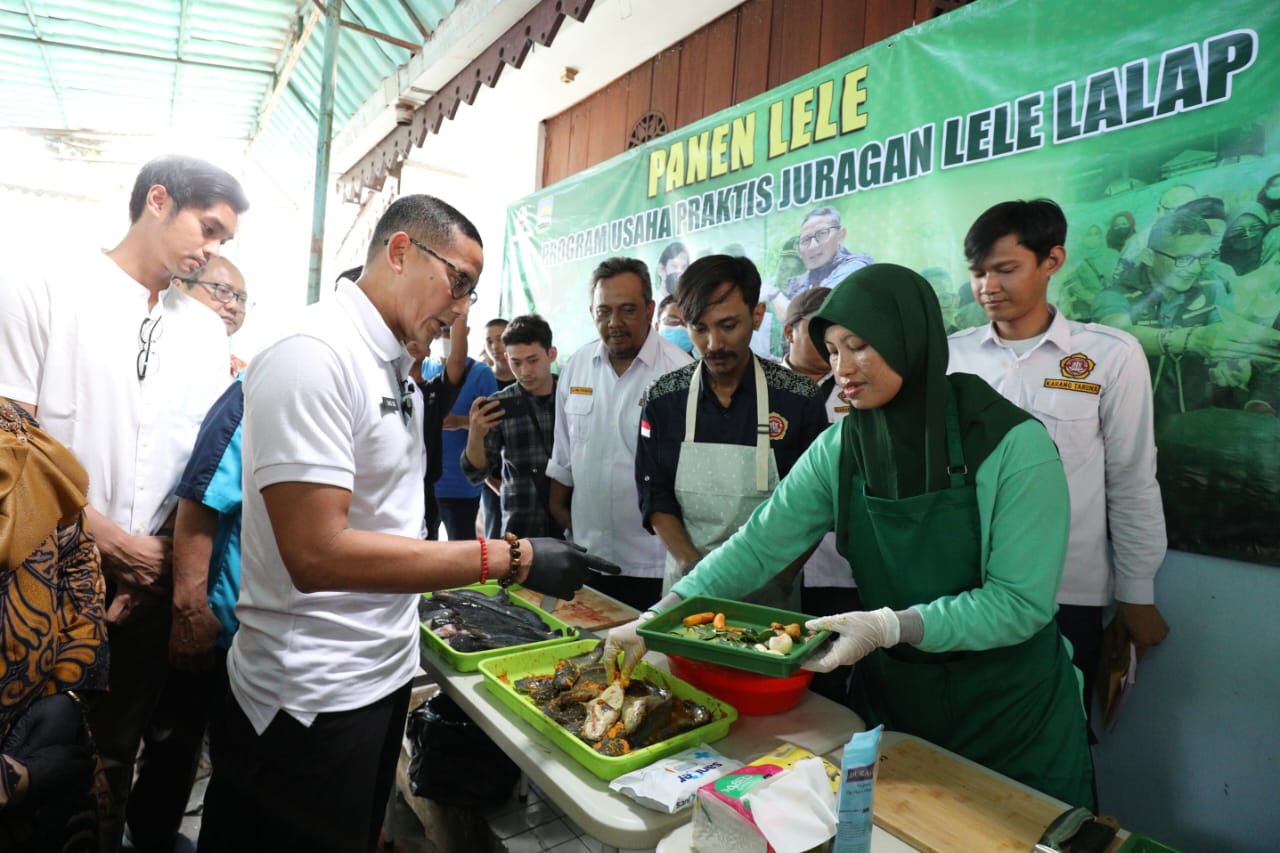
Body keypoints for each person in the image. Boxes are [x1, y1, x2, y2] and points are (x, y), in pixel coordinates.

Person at [197, 195, 617, 853]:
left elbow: (393, 523)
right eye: (459, 283)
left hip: (380, 674)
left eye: (473, 293)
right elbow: (317, 552)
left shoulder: (396, 365)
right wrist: (510, 556)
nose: (462, 310)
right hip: (310, 696)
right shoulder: (314, 353)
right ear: (399, 251)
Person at [606, 263, 1095, 810]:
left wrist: (892, 625)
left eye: (859, 346)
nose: (842, 368)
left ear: (909, 340)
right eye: (833, 350)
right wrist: (662, 614)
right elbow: (759, 545)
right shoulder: (843, 445)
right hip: (897, 703)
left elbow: (1018, 603)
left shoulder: (1012, 445)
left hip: (1011, 714)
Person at [0, 154, 247, 852]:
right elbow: (10, 443)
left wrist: (153, 566)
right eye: (209, 228)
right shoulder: (44, 283)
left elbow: (195, 470)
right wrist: (109, 546)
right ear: (157, 201)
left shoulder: (201, 331)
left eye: (226, 241)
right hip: (38, 581)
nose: (213, 250)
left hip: (145, 587)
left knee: (112, 757)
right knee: (30, 756)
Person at [947, 199, 1169, 730]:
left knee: (1057, 737)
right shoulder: (952, 357)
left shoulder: (1109, 356)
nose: (987, 287)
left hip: (1065, 591)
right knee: (967, 735)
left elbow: (1133, 479)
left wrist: (1136, 593)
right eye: (978, 273)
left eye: (1004, 270)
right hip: (965, 590)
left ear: (1052, 260)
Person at [637, 255, 828, 608]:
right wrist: (694, 570)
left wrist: (782, 576)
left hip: (771, 588)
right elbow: (654, 492)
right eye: (699, 328)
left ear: (756, 316)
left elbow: (816, 505)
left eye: (727, 325)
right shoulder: (664, 398)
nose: (712, 344)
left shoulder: (799, 398)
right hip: (687, 586)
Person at [547, 257, 693, 610]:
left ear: (649, 308)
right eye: (603, 311)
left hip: (656, 566)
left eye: (627, 310)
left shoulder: (680, 374)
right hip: (588, 562)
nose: (614, 323)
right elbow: (564, 461)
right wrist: (571, 529)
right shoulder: (575, 368)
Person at [0, 398, 109, 852]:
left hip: (40, 725)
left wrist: (65, 692)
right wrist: (12, 781)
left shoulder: (14, 424)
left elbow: (78, 559)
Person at [1095, 210, 1280, 421]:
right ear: (1149, 257)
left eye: (1202, 257)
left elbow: (1223, 328)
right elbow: (1117, 334)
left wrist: (1232, 363)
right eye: (1183, 259)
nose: (1194, 269)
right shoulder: (1116, 294)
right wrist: (1190, 339)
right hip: (1133, 421)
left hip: (1196, 419)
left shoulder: (1212, 287)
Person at [780, 287, 860, 624]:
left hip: (841, 564)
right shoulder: (765, 388)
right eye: (817, 330)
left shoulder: (857, 384)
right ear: (790, 331)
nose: (829, 343)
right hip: (775, 554)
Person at [462, 314, 562, 539]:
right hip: (520, 528)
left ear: (551, 354)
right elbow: (476, 473)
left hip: (572, 525)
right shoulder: (499, 405)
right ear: (507, 358)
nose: (525, 371)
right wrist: (475, 435)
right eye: (516, 362)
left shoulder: (571, 397)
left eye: (533, 360)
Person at [423, 325, 498, 541]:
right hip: (425, 484)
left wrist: (461, 422)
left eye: (449, 331)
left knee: (462, 554)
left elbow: (494, 423)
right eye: (440, 330)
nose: (443, 337)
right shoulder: (424, 368)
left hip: (462, 484)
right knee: (422, 556)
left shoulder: (480, 373)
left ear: (465, 331)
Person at [763, 206, 874, 319]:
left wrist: (773, 294)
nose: (813, 246)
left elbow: (812, 316)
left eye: (822, 234)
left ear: (841, 235)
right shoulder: (804, 280)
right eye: (806, 240)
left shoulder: (854, 268)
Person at [173, 257, 250, 377]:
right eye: (222, 291)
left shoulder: (243, 376)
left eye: (242, 299)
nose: (233, 306)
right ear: (177, 287)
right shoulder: (147, 353)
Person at [481, 318, 516, 538]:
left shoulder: (527, 383)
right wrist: (494, 483)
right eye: (489, 341)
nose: (494, 347)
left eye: (500, 339)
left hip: (522, 481)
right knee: (494, 537)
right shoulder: (482, 381)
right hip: (492, 479)